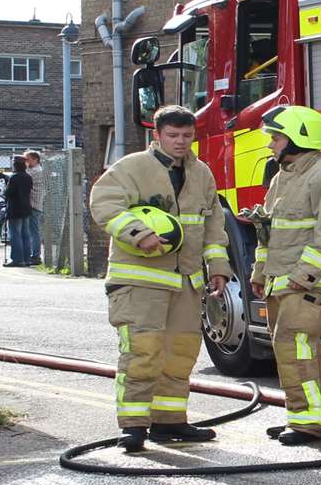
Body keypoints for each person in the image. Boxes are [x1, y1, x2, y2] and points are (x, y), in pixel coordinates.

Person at [89, 106, 235, 453]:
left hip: (185, 281)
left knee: (180, 353)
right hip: (140, 281)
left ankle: (170, 422)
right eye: (173, 135)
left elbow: (213, 225)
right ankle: (134, 426)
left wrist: (218, 268)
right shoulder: (132, 167)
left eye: (187, 135)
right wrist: (139, 233)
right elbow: (104, 203)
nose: (181, 142)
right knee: (142, 352)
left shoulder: (201, 174)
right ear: (157, 135)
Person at [246, 104, 321, 445]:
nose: (270, 145)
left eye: (275, 138)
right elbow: (269, 232)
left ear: (297, 138)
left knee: (296, 348)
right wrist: (260, 271)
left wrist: (303, 276)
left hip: (304, 286)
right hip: (281, 281)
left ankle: (309, 424)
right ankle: (301, 416)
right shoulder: (282, 178)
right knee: (289, 349)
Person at [1, 158, 32, 268]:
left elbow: (8, 193)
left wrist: (6, 184)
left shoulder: (14, 178)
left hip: (15, 208)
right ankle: (27, 258)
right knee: (25, 234)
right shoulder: (28, 177)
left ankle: (18, 259)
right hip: (26, 207)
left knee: (15, 234)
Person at [18, 149, 46, 266]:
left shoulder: (36, 171)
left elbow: (23, 177)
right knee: (31, 230)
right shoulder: (33, 170)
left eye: (27, 159)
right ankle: (32, 254)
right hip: (32, 203)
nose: (26, 162)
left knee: (34, 231)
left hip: (34, 204)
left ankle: (36, 255)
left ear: (35, 160)